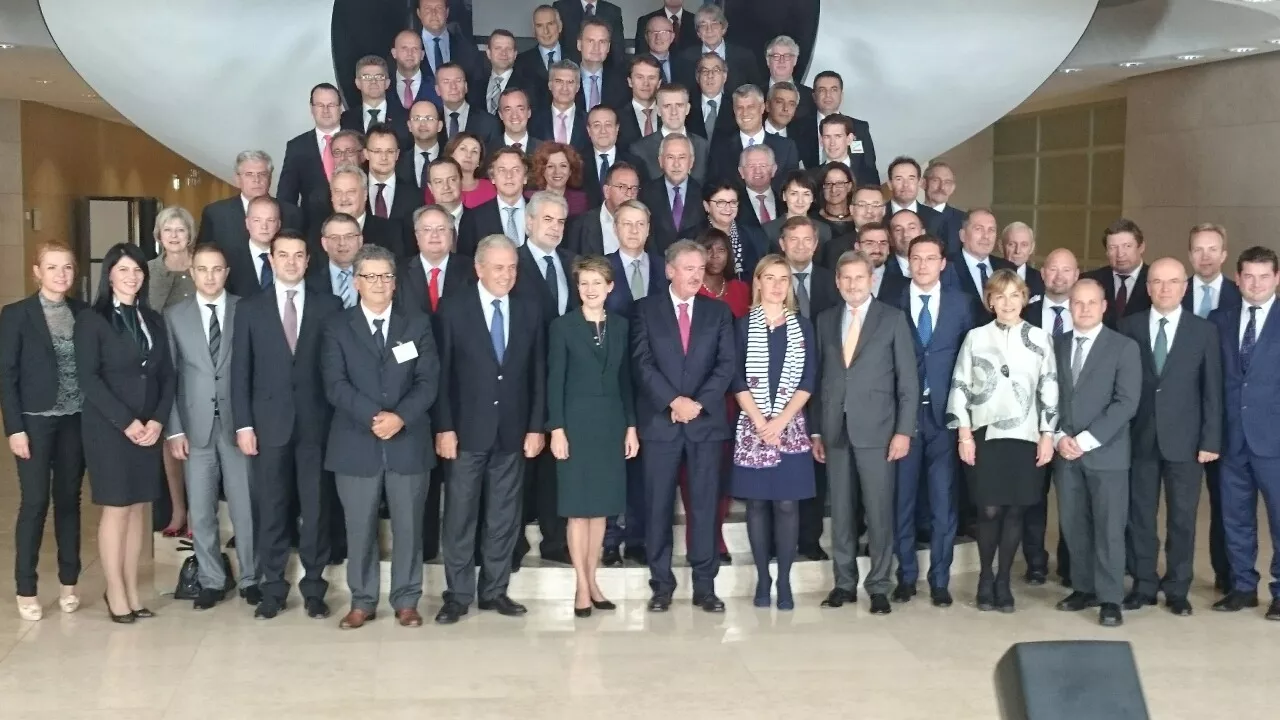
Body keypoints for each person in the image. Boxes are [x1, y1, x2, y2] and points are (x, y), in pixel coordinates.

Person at [320, 245, 439, 630]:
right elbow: (335, 384)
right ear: (356, 282)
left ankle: (407, 599)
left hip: (408, 441)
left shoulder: (416, 324)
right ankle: (362, 600)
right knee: (359, 528)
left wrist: (400, 417)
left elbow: (428, 381)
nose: (379, 283)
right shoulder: (337, 326)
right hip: (356, 443)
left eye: (386, 276)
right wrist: (376, 417)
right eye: (370, 276)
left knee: (409, 528)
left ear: (395, 282)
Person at [231, 231, 344, 620]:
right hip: (268, 426)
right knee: (272, 507)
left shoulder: (329, 305)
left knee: (316, 508)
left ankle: (314, 588)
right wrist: (243, 425)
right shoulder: (250, 308)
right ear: (271, 260)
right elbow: (240, 371)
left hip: (317, 425)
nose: (291, 262)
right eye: (283, 255)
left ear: (308, 260)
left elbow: (335, 368)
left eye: (299, 255)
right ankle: (273, 588)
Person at [434, 235, 546, 625]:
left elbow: (537, 373)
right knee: (460, 517)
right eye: (498, 267)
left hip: (512, 432)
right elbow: (442, 375)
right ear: (479, 268)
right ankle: (458, 595)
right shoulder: (453, 307)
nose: (506, 275)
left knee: (504, 517)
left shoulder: (530, 308)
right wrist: (444, 427)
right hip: (465, 433)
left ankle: (494, 590)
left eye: (512, 267)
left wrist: (536, 427)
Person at [632, 239, 736, 613]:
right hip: (661, 424)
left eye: (700, 268)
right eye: (688, 268)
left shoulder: (718, 312)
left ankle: (705, 587)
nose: (696, 275)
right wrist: (673, 402)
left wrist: (697, 404)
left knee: (705, 507)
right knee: (657, 507)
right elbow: (641, 362)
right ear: (669, 270)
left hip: (705, 425)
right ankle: (661, 586)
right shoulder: (645, 310)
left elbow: (726, 364)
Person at [811, 251, 917, 614]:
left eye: (860, 277)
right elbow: (819, 379)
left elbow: (908, 382)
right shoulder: (825, 319)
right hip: (835, 429)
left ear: (872, 280)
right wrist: (816, 431)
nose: (853, 284)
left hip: (879, 431)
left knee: (878, 511)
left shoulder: (892, 318)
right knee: (841, 512)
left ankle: (879, 586)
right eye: (847, 278)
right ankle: (843, 583)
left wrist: (903, 431)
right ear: (837, 282)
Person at [75, 243, 175, 623]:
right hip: (110, 428)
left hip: (148, 428)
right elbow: (89, 379)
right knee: (117, 508)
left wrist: (158, 420)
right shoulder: (92, 320)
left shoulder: (153, 319)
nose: (131, 277)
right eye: (123, 270)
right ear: (109, 275)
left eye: (137, 270)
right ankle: (114, 590)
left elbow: (167, 375)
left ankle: (132, 590)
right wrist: (128, 422)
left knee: (138, 510)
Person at [1117, 257, 1222, 616]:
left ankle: (1178, 589)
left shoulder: (1203, 331)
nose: (1165, 289)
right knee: (1140, 517)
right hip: (1140, 438)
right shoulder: (1128, 327)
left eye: (1173, 281)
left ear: (1184, 287)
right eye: (1158, 282)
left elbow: (1212, 391)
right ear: (1148, 288)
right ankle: (1144, 584)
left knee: (1182, 518)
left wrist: (1210, 440)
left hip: (1187, 443)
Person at [948, 269, 1057, 612]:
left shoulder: (1040, 338)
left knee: (1014, 511)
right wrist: (964, 434)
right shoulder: (975, 337)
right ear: (990, 301)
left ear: (1024, 299)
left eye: (1014, 295)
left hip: (1026, 436)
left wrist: (1048, 435)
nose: (1007, 303)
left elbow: (1049, 387)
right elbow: (960, 385)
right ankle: (985, 577)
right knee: (989, 509)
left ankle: (1004, 580)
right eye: (999, 295)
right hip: (985, 434)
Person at [163, 243, 258, 610]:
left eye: (217, 269)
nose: (210, 276)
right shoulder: (175, 316)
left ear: (227, 272)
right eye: (202, 269)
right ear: (192, 272)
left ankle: (251, 578)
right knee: (201, 510)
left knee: (244, 507)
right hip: (194, 427)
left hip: (238, 426)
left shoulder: (244, 309)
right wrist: (174, 429)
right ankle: (211, 580)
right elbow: (170, 377)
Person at [547, 255, 638, 616]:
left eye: (597, 283)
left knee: (600, 511)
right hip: (575, 425)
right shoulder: (563, 326)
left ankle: (594, 580)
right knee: (577, 511)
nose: (590, 289)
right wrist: (556, 429)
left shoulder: (621, 326)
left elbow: (626, 381)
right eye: (584, 283)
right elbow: (555, 381)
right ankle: (581, 588)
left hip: (610, 424)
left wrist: (631, 426)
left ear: (610, 287)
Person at [1, 242, 87, 621]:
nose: (60, 274)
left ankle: (69, 583)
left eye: (66, 267)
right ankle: (26, 587)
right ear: (37, 272)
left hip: (76, 420)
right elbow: (6, 376)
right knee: (35, 502)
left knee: (69, 501)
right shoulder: (16, 315)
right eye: (51, 267)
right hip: (34, 421)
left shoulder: (83, 313)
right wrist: (14, 428)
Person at [890, 234, 977, 607]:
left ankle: (940, 579)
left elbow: (972, 359)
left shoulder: (962, 304)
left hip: (946, 415)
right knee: (903, 500)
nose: (923, 265)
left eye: (930, 258)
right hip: (903, 416)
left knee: (943, 501)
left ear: (943, 263)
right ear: (908, 262)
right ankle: (906, 577)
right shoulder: (890, 300)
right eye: (916, 258)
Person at [1053, 278, 1142, 627]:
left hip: (1107, 453)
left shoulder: (1123, 347)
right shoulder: (1056, 344)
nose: (1085, 308)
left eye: (1092, 302)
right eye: (1078, 302)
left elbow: (1126, 403)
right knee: (1073, 523)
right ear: (1070, 306)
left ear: (1104, 307)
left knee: (1109, 527)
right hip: (1065, 452)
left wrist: (1086, 440)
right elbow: (1048, 394)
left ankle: (1110, 598)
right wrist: (1059, 436)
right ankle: (1083, 587)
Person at [730, 254, 816, 609]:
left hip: (790, 426)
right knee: (756, 504)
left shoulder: (802, 326)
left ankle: (784, 580)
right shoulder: (742, 326)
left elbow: (809, 378)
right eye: (770, 278)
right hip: (753, 426)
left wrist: (780, 420)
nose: (777, 285)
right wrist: (760, 420)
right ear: (758, 282)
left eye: (784, 279)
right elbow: (735, 377)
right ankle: (763, 579)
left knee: (786, 504)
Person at [1209, 246, 1280, 621]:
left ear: (1277, 279)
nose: (1256, 284)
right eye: (1249, 276)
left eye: (1264, 276)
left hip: (1275, 440)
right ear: (1237, 278)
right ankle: (1242, 587)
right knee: (1235, 517)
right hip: (1232, 437)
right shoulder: (1219, 320)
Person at [602, 200, 667, 566]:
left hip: (657, 380)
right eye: (626, 224)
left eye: (640, 224)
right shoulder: (602, 268)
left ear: (649, 227)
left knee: (646, 465)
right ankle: (611, 538)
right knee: (614, 462)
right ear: (615, 228)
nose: (633, 230)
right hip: (613, 379)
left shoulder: (663, 267)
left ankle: (639, 538)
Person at [776, 217, 839, 561]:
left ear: (816, 244)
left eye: (806, 240)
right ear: (782, 244)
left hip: (824, 383)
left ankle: (810, 539)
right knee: (779, 462)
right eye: (793, 239)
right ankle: (777, 538)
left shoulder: (833, 280)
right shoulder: (770, 279)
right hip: (777, 385)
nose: (800, 246)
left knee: (816, 462)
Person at [1183, 222, 1241, 593]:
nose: (1205, 257)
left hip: (1226, 417)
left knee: (1225, 501)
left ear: (1224, 254)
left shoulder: (1240, 294)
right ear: (1190, 254)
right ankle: (1175, 576)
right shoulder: (1174, 291)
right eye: (1198, 249)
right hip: (1182, 415)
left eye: (1212, 249)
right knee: (1181, 503)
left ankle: (1227, 574)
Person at [1020, 248, 1079, 587]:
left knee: (1071, 498)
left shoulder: (1088, 312)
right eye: (1053, 269)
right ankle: (1035, 562)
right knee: (1033, 497)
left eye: (1066, 270)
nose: (1059, 276)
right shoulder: (1024, 312)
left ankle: (1070, 564)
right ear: (1042, 274)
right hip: (1032, 421)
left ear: (1077, 275)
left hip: (1073, 423)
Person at [147, 206, 197, 537]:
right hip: (162, 363)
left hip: (197, 362)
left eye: (180, 229)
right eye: (168, 230)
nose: (175, 236)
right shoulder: (149, 270)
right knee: (170, 439)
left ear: (190, 234)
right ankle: (177, 509)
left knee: (198, 439)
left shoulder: (202, 265)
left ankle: (197, 510)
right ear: (159, 235)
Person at [199, 151, 305, 263]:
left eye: (262, 174)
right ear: (237, 179)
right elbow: (202, 257)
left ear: (270, 178)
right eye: (249, 174)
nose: (256, 180)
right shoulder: (216, 214)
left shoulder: (292, 213)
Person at [278, 83, 344, 237]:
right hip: (312, 233)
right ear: (311, 109)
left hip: (354, 230)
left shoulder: (356, 141)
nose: (326, 110)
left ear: (340, 108)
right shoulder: (296, 146)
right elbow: (286, 197)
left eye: (331, 105)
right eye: (320, 105)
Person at [709, 85, 800, 185]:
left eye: (750, 107)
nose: (745, 113)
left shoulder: (786, 148)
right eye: (740, 108)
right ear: (734, 110)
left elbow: (792, 187)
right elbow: (712, 186)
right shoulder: (720, 146)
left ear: (762, 108)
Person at [638, 133, 708, 252]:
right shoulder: (645, 194)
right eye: (670, 157)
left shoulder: (704, 192)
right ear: (660, 161)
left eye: (682, 157)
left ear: (691, 161)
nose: (676, 164)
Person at [455, 147, 529, 256]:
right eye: (502, 170)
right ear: (493, 178)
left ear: (525, 177)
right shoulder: (473, 218)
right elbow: (465, 261)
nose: (509, 176)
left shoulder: (541, 211)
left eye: (516, 169)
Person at [631, 85, 712, 185]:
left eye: (679, 105)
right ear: (658, 110)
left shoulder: (704, 147)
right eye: (667, 106)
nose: (674, 112)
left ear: (687, 109)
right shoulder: (639, 150)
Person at [676, 4, 760, 96]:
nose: (709, 30)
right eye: (703, 25)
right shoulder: (686, 57)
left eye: (714, 24)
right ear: (698, 33)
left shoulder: (744, 56)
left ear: (723, 28)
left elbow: (756, 92)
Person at [1082, 218, 1151, 328]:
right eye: (1113, 247)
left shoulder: (1157, 280)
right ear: (1106, 252)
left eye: (1127, 246)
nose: (1120, 254)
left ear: (1141, 247)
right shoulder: (1089, 280)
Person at [948, 208, 1016, 318]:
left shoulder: (1008, 268)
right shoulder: (946, 267)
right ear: (963, 235)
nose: (986, 236)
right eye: (978, 229)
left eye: (991, 230)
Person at [564, 161, 642, 256]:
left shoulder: (645, 224)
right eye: (622, 187)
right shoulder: (579, 226)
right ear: (607, 191)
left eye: (634, 188)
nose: (629, 194)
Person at [582, 105, 643, 208]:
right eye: (597, 125)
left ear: (617, 128)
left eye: (608, 125)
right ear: (589, 130)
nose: (603, 131)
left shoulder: (636, 163)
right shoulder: (577, 162)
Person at [530, 60, 590, 155]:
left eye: (570, 82)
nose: (564, 88)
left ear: (578, 87)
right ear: (550, 85)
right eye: (559, 81)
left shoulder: (589, 121)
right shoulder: (533, 120)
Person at [437, 61, 502, 147]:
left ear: (466, 87)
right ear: (437, 90)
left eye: (458, 80)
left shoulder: (489, 123)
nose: (453, 87)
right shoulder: (432, 121)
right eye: (446, 82)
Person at [763, 171, 832, 248]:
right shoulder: (769, 230)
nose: (800, 201)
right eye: (794, 194)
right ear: (784, 196)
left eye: (806, 194)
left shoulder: (823, 230)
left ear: (812, 198)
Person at [340, 56, 406, 136]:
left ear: (387, 83)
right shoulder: (346, 119)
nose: (373, 81)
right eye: (367, 77)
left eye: (379, 77)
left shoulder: (405, 117)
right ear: (358, 83)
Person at [526, 141, 590, 218]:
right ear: (542, 171)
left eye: (563, 166)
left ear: (570, 170)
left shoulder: (580, 200)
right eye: (550, 166)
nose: (557, 172)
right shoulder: (529, 198)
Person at [553, 0, 626, 66]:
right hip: (568, 69)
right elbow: (556, 44)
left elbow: (618, 50)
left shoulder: (613, 11)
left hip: (603, 72)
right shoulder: (561, 7)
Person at [697, 228, 751, 318]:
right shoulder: (693, 289)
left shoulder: (741, 289)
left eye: (721, 250)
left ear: (729, 254)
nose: (715, 255)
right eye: (708, 250)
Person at [613, 57, 662, 153]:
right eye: (640, 77)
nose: (646, 83)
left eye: (651, 78)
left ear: (659, 83)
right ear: (630, 81)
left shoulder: (669, 114)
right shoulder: (617, 117)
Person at [440, 131, 497, 209]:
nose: (469, 155)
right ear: (451, 154)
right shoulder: (438, 186)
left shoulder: (491, 188)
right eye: (463, 149)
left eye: (474, 151)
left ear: (479, 161)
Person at [389, 30, 442, 113]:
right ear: (394, 53)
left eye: (415, 49)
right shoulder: (383, 87)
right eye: (404, 48)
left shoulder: (438, 87)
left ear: (422, 55)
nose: (410, 53)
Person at [469, 30, 519, 117]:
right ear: (488, 53)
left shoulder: (530, 86)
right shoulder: (474, 86)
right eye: (498, 48)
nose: (503, 53)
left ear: (515, 54)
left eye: (508, 49)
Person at [402, 101, 445, 198]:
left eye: (429, 118)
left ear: (439, 126)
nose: (423, 124)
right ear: (409, 125)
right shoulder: (398, 161)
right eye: (417, 119)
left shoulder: (450, 157)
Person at [923, 161, 965, 255]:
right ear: (923, 183)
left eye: (947, 182)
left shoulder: (963, 220)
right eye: (935, 180)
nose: (941, 187)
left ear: (952, 188)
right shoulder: (910, 216)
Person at [490, 88, 543, 157]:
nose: (514, 116)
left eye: (520, 109)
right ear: (500, 115)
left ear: (529, 112)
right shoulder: (488, 151)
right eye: (508, 110)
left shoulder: (543, 150)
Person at [1001, 222, 1043, 302]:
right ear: (1001, 246)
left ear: (1032, 248)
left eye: (1024, 245)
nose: (1018, 251)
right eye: (1012, 244)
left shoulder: (1041, 279)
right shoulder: (990, 274)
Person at [815, 163, 858, 238]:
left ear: (849, 186)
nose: (833, 189)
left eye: (839, 183)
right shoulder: (812, 219)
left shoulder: (859, 218)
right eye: (828, 184)